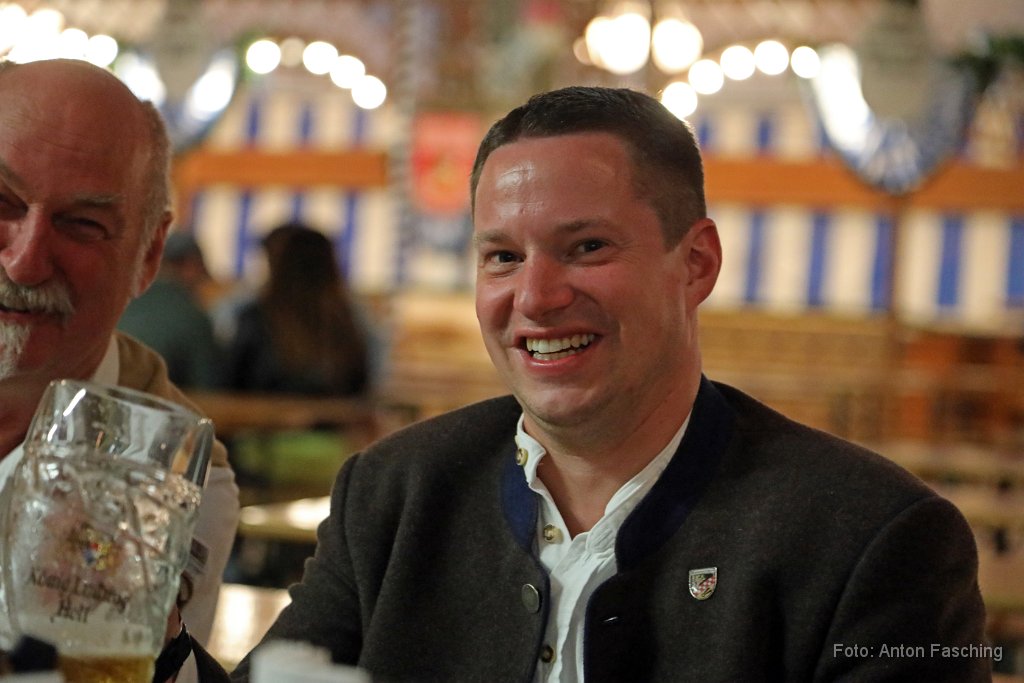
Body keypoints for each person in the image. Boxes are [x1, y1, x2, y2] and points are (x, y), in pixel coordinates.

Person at [230, 87, 989, 681]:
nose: (536, 296)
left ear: (696, 264)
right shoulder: (393, 494)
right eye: (503, 257)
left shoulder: (876, 539)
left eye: (587, 246)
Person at [0, 58, 239, 681]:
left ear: (149, 253)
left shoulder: (168, 479)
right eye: (1, 201)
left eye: (82, 224)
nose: (26, 262)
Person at [223, 222, 369, 397]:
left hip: (259, 413)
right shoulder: (350, 322)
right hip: (338, 414)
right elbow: (361, 385)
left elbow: (230, 384)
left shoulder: (255, 318)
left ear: (278, 265)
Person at [118, 231, 223, 389]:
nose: (200, 284)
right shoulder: (192, 317)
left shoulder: (121, 301)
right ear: (191, 266)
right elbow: (208, 387)